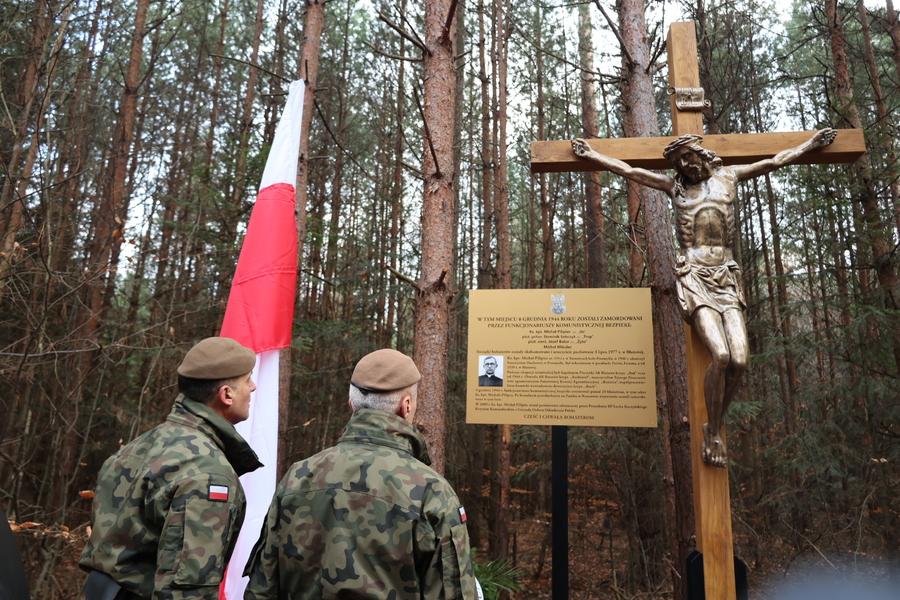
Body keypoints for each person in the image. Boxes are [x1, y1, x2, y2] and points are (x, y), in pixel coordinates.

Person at [572, 128, 837, 468]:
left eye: (688, 157)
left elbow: (773, 161)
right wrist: (593, 155)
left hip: (726, 275)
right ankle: (713, 430)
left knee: (741, 360)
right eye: (679, 162)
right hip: (694, 276)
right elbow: (630, 171)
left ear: (701, 153)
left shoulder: (729, 177)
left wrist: (811, 145)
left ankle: (715, 422)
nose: (685, 165)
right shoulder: (675, 187)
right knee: (722, 355)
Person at [243, 348, 477, 600]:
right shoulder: (430, 490)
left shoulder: (298, 475)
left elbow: (263, 586)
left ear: (351, 404)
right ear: (406, 406)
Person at [80, 337, 263, 600]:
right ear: (226, 394)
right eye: (248, 380)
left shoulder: (138, 447)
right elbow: (187, 589)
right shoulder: (208, 472)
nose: (253, 387)